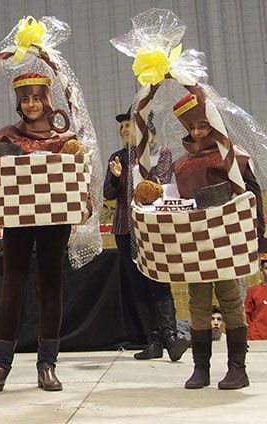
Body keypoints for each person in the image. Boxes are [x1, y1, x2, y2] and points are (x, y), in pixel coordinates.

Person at [0, 72, 91, 394]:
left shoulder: (65, 138)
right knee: (12, 283)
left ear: (47, 100)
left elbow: (80, 174)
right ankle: (0, 366)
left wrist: (84, 201)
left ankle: (47, 364)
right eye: (25, 99)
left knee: (51, 284)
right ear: (18, 103)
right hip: (17, 219)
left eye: (37, 98)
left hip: (55, 219)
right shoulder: (5, 137)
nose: (31, 105)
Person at [171, 89, 267, 390]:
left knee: (230, 300)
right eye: (192, 127)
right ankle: (201, 369)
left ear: (214, 124)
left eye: (203, 125)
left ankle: (238, 368)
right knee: (197, 303)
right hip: (197, 243)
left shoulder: (233, 157)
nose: (198, 132)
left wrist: (257, 235)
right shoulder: (182, 165)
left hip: (228, 242)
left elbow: (253, 196)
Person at [103, 109, 188, 361]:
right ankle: (152, 341)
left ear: (145, 130)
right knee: (138, 284)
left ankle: (171, 338)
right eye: (122, 127)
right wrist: (117, 178)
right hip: (124, 227)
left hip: (152, 228)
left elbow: (157, 185)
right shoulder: (117, 157)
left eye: (130, 125)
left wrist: (132, 172)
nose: (124, 129)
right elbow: (108, 192)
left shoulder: (161, 154)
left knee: (159, 280)